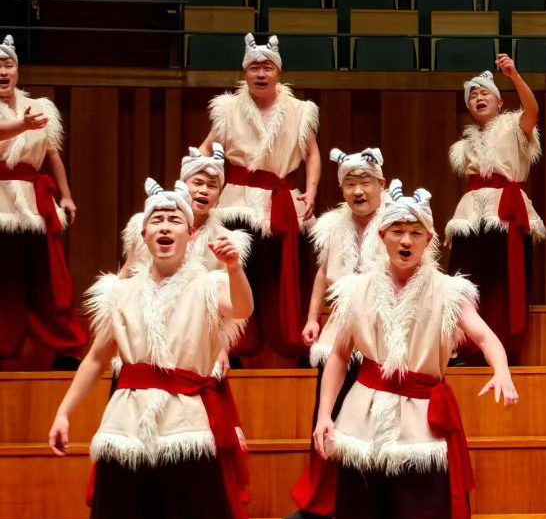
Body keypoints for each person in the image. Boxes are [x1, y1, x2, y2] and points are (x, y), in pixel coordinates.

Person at [47, 180, 266, 519]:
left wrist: (233, 267)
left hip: (189, 423)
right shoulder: (120, 293)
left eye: (174, 220)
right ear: (143, 236)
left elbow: (243, 307)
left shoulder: (210, 284)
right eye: (157, 221)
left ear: (190, 234)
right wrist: (64, 412)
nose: (165, 227)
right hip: (128, 424)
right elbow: (95, 358)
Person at [307, 180, 518, 519]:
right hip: (364, 418)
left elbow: (486, 337)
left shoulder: (449, 291)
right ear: (382, 236)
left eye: (415, 232)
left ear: (429, 240)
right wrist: (324, 416)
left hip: (422, 421)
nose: (406, 240)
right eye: (397, 231)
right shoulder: (356, 290)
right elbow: (337, 356)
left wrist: (502, 370)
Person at [199, 33, 321, 364]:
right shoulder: (228, 109)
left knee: (279, 277)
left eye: (267, 67)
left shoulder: (300, 111)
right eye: (254, 68)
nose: (261, 74)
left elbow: (312, 154)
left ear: (278, 71)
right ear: (245, 72)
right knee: (240, 272)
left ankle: (289, 344)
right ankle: (236, 344)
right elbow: (206, 148)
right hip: (238, 202)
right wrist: (198, 183)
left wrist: (311, 190)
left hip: (282, 201)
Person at [285, 146, 386, 519]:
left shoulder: (399, 221)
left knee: (375, 418)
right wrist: (313, 317)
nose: (358, 190)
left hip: (381, 334)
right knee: (327, 415)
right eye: (350, 183)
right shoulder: (333, 227)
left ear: (382, 184)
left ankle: (371, 504)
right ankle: (321, 503)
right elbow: (322, 274)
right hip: (338, 331)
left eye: (365, 182)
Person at [445, 57, 544, 360]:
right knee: (465, 280)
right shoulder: (465, 146)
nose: (478, 97)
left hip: (508, 210)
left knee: (504, 283)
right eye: (472, 95)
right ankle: (465, 348)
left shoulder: (515, 127)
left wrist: (514, 76)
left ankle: (503, 350)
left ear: (500, 101)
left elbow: (532, 110)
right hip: (471, 213)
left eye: (484, 92)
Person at [0, 33, 87, 367]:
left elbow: (52, 154)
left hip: (33, 202)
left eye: (8, 64)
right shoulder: (25, 117)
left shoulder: (38, 107)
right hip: (2, 201)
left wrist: (66, 196)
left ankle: (59, 348)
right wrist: (21, 125)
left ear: (17, 69)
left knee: (44, 278)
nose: (3, 71)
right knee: (5, 277)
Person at [119, 144, 251, 276]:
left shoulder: (225, 240)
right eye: (198, 183)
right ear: (182, 186)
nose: (204, 190)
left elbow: (228, 285)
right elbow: (128, 272)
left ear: (218, 197)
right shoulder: (145, 226)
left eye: (212, 186)